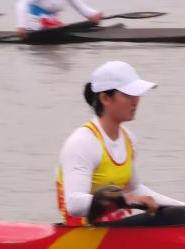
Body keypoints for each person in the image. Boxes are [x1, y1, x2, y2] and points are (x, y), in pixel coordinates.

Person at [57, 61, 185, 227]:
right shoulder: (82, 142)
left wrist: (182, 206)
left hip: (114, 227)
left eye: (137, 94)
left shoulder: (128, 139)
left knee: (178, 213)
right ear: (105, 98)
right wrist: (128, 200)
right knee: (173, 216)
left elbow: (135, 190)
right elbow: (74, 204)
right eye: (128, 95)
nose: (136, 101)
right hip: (84, 230)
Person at [16, 0, 101, 38]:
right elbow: (22, 3)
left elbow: (79, 6)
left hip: (51, 21)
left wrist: (93, 14)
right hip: (33, 21)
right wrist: (21, 26)